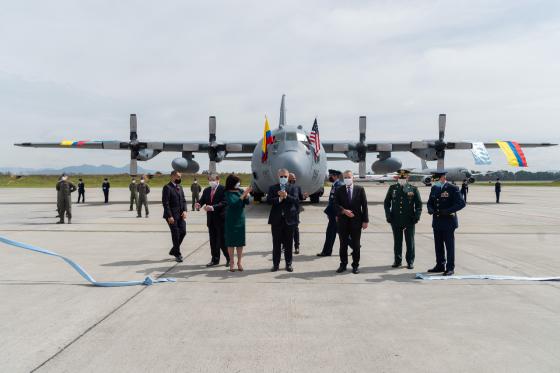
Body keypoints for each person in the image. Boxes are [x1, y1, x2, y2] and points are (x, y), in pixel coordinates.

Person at [426, 170, 466, 276]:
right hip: (437, 221)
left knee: (449, 246)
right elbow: (430, 202)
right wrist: (430, 209)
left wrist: (447, 211)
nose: (435, 182)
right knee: (438, 245)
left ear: (443, 178)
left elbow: (461, 203)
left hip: (448, 221)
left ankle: (450, 268)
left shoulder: (452, 188)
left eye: (437, 179)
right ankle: (440, 265)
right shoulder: (434, 188)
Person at [384, 169, 422, 269]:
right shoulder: (392, 188)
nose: (402, 179)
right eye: (400, 177)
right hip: (395, 219)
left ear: (407, 177)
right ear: (397, 177)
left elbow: (418, 204)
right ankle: (397, 260)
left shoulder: (413, 189)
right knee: (397, 241)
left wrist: (416, 217)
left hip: (409, 220)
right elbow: (386, 203)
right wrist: (388, 215)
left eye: (404, 177)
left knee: (410, 242)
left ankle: (410, 261)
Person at [334, 170, 369, 274]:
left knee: (356, 245)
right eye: (345, 177)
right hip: (343, 222)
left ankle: (355, 265)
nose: (347, 179)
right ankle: (343, 264)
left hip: (356, 222)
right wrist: (343, 211)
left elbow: (364, 206)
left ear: (353, 178)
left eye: (349, 177)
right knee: (343, 244)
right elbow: (335, 204)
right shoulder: (339, 189)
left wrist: (365, 220)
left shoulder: (360, 189)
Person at [267, 168, 300, 272]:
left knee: (288, 244)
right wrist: (279, 199)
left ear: (288, 177)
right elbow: (268, 201)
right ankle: (275, 265)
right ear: (278, 176)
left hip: (289, 220)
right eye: (281, 176)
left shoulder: (293, 188)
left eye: (285, 176)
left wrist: (286, 196)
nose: (283, 178)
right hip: (276, 220)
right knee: (276, 244)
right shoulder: (273, 188)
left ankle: (288, 264)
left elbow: (296, 200)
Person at [196, 174, 230, 267]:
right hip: (211, 220)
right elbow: (202, 200)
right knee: (213, 241)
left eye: (213, 180)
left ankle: (229, 258)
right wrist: (199, 204)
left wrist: (212, 207)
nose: (211, 181)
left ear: (218, 179)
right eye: (209, 180)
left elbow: (225, 202)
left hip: (221, 219)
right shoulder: (207, 190)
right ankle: (215, 259)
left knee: (222, 241)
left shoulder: (224, 189)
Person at [223, 174, 252, 272]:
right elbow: (234, 204)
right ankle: (231, 262)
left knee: (240, 242)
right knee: (231, 242)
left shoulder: (240, 191)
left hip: (240, 219)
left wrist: (247, 195)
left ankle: (239, 262)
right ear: (232, 183)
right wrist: (244, 195)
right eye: (237, 182)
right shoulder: (227, 193)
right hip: (231, 219)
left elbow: (246, 202)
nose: (239, 184)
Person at [162, 171, 188, 262]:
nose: (179, 178)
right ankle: (177, 254)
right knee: (175, 234)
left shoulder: (180, 187)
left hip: (181, 215)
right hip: (171, 216)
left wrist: (185, 210)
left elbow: (184, 200)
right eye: (177, 176)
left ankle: (174, 250)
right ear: (172, 176)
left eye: (180, 176)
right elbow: (166, 203)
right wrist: (169, 216)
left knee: (183, 232)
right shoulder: (167, 187)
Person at [317, 170, 344, 257]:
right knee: (339, 232)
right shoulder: (335, 184)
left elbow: (338, 201)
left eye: (331, 175)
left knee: (330, 233)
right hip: (333, 213)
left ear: (336, 176)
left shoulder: (339, 185)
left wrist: (337, 214)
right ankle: (355, 246)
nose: (329, 177)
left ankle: (326, 252)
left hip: (335, 214)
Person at [288, 173, 307, 254]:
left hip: (295, 212)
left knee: (295, 230)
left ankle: (296, 246)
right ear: (288, 178)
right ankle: (285, 246)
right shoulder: (283, 187)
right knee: (285, 231)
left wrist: (304, 197)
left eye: (295, 178)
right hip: (286, 212)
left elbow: (300, 197)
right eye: (293, 178)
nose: (294, 179)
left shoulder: (297, 187)